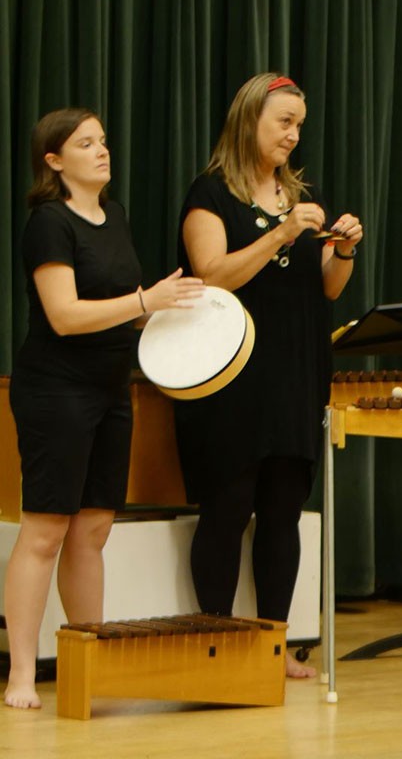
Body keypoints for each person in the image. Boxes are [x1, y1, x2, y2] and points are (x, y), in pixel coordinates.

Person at [4, 109, 203, 709]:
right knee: (44, 531)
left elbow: (122, 304)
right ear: (54, 161)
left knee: (92, 530)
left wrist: (169, 307)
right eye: (85, 143)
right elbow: (65, 315)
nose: (101, 150)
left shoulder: (113, 216)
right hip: (55, 390)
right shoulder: (48, 223)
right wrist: (144, 298)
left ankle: (86, 659)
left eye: (103, 140)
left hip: (112, 387)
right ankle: (18, 676)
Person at [177, 73, 364, 678]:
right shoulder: (211, 196)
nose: (293, 135)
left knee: (284, 510)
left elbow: (326, 290)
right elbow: (210, 275)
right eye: (284, 121)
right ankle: (216, 642)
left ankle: (273, 644)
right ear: (249, 120)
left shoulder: (300, 196)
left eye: (299, 125)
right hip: (230, 378)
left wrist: (344, 251)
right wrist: (283, 233)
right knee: (228, 508)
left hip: (295, 371)